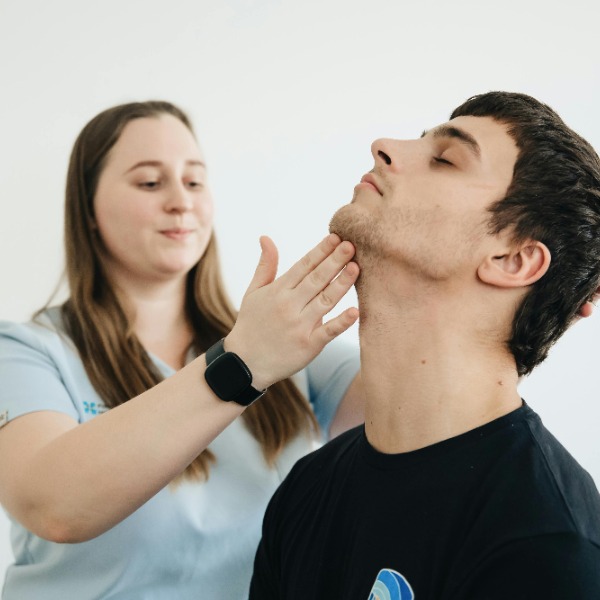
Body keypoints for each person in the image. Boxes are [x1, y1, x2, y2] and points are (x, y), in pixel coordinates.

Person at [0, 101, 364, 599]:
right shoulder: (26, 352)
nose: (180, 202)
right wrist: (241, 364)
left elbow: (420, 414)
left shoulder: (281, 346)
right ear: (87, 207)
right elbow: (53, 507)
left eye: (194, 182)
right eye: (150, 183)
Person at [249, 91, 600, 599]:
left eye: (445, 159)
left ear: (512, 260)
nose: (383, 146)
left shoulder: (546, 542)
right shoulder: (307, 488)